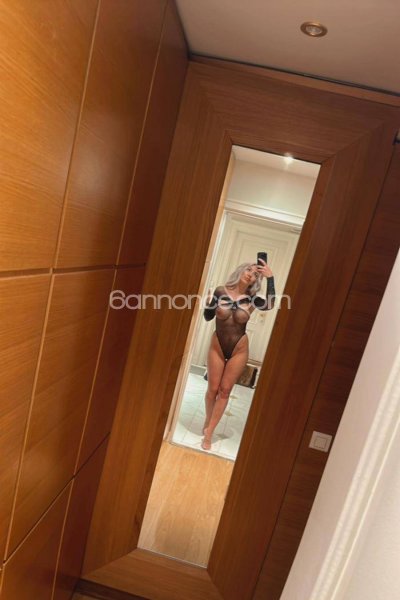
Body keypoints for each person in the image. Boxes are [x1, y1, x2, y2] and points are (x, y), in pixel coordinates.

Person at [201, 258, 275, 450]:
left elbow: (270, 304)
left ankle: (209, 433)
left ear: (256, 280)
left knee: (225, 391)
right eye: (249, 270)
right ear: (241, 271)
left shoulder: (253, 299)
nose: (251, 274)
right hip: (217, 345)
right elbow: (208, 317)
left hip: (239, 349)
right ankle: (208, 420)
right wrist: (208, 304)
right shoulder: (220, 291)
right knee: (212, 389)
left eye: (255, 274)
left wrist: (270, 278)